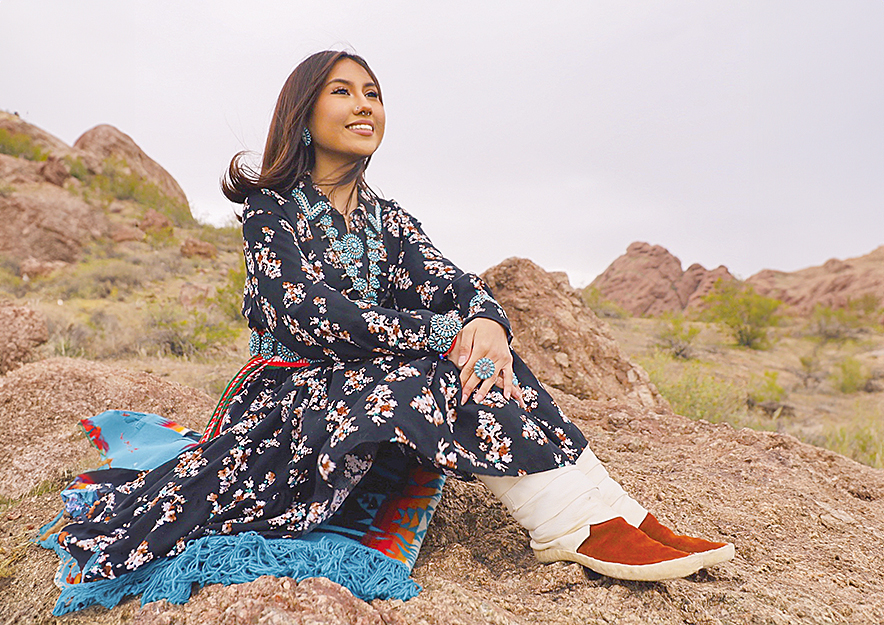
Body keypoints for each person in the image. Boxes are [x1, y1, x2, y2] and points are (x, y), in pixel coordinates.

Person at [55, 51, 733, 599]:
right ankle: (566, 525)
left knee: (484, 356)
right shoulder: (272, 210)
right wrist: (441, 332)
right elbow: (313, 315)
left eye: (373, 93)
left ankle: (613, 512)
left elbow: (460, 285)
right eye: (343, 92)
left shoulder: (392, 220)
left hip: (361, 394)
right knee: (426, 369)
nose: (363, 105)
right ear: (302, 113)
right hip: (290, 402)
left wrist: (486, 323)